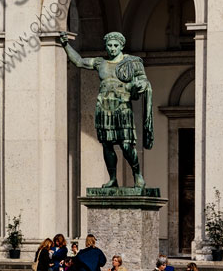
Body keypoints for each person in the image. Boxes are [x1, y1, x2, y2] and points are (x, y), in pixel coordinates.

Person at [60, 31, 153, 188]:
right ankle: (112, 178)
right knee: (107, 144)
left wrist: (139, 85)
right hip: (104, 107)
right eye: (109, 45)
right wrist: (65, 44)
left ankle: (137, 174)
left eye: (116, 45)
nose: (112, 48)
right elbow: (79, 61)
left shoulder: (132, 62)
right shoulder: (100, 63)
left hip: (122, 106)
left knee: (126, 145)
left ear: (121, 46)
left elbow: (143, 80)